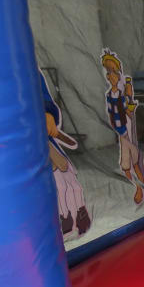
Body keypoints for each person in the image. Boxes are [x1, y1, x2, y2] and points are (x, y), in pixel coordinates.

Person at [101, 49, 144, 205]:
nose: (112, 75)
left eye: (114, 71)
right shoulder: (110, 95)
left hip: (127, 130)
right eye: (109, 72)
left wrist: (129, 99)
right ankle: (141, 187)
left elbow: (128, 110)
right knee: (127, 165)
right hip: (121, 132)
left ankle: (143, 188)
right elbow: (113, 113)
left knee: (132, 162)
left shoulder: (122, 93)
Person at [41, 69, 90, 237]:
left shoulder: (29, 72)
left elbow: (47, 101)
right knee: (60, 185)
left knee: (69, 181)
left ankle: (78, 213)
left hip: (47, 142)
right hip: (32, 146)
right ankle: (66, 216)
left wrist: (48, 113)